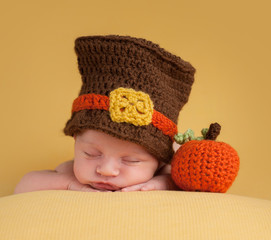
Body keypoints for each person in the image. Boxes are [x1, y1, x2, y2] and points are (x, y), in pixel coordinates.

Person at [14, 35, 196, 193]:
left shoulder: (166, 169)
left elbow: (192, 181)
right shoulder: (71, 173)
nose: (106, 170)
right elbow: (23, 185)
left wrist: (164, 182)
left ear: (160, 158)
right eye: (91, 154)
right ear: (76, 140)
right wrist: (68, 183)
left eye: (131, 160)